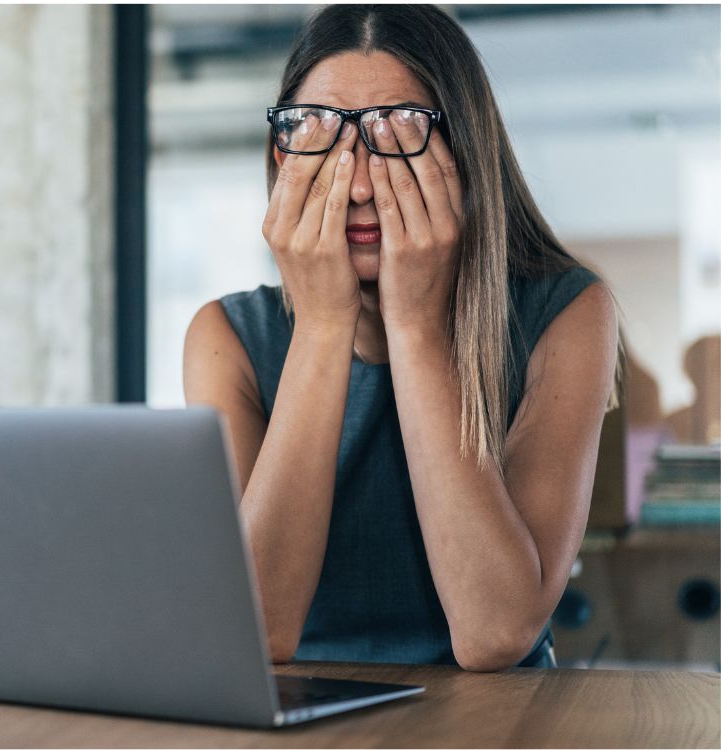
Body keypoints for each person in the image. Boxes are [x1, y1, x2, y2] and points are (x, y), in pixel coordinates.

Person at [182, 5, 623, 671]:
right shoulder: (226, 338)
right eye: (321, 134)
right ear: (282, 152)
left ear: (465, 152)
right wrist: (324, 327)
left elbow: (495, 633)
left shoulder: (566, 312)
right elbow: (252, 633)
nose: (358, 185)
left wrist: (414, 326)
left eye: (401, 132)